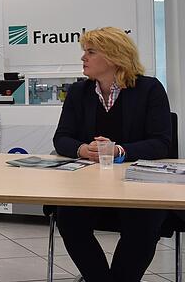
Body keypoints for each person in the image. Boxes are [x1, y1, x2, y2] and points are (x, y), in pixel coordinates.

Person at [53, 27, 171, 282]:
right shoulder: (78, 93)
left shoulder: (149, 89)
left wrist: (118, 150)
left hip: (137, 186)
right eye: (84, 51)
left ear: (114, 56)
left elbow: (162, 143)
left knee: (145, 222)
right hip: (89, 185)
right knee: (68, 218)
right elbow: (61, 138)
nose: (83, 57)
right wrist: (83, 149)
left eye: (90, 52)